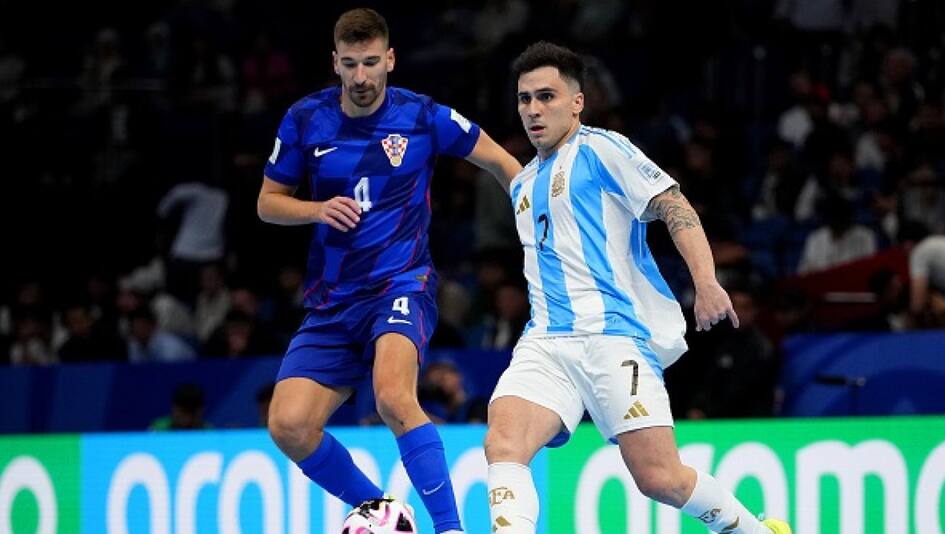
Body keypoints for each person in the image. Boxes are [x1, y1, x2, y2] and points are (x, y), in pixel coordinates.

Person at [483, 42, 791, 534]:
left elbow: (675, 206)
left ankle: (753, 530)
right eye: (524, 99)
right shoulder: (524, 184)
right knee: (503, 442)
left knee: (660, 478)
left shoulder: (603, 149)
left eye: (547, 96)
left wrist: (706, 281)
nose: (534, 110)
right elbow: (492, 160)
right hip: (545, 342)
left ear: (577, 102)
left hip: (612, 339)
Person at [258, 9, 521, 534]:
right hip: (332, 300)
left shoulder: (422, 116)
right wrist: (314, 208)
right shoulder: (305, 119)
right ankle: (384, 513)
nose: (360, 77)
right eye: (350, 64)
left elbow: (498, 160)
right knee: (288, 426)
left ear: (390, 59)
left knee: (394, 396)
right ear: (335, 62)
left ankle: (450, 528)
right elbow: (267, 203)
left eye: (371, 63)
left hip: (402, 284)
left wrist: (536, 209)